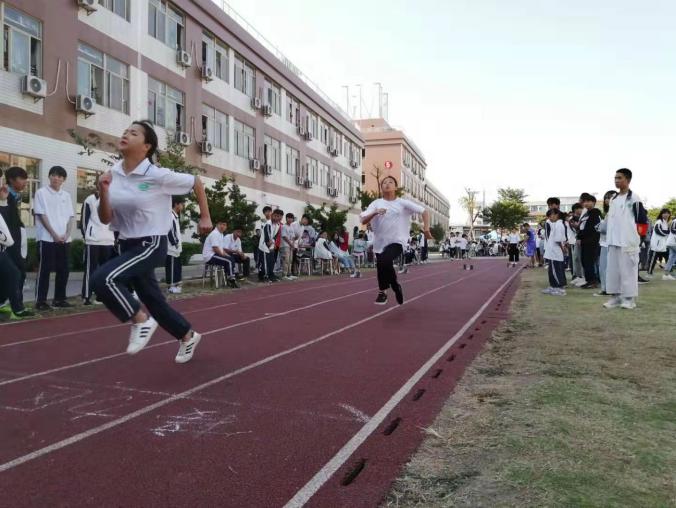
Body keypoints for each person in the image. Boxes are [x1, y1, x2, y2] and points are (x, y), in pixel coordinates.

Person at [91, 120, 212, 364]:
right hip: (126, 244)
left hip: (152, 244)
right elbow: (106, 218)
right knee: (154, 301)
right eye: (125, 131)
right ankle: (187, 335)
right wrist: (103, 191)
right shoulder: (112, 174)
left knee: (102, 279)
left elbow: (196, 182)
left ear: (146, 146)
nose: (125, 134)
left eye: (133, 133)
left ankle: (140, 321)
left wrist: (205, 216)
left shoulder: (157, 175)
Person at [360, 176, 431, 305]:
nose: (387, 184)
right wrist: (375, 212)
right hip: (379, 242)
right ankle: (395, 286)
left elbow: (425, 212)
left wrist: (426, 229)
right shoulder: (376, 203)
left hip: (398, 241)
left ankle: (382, 292)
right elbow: (363, 220)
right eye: (384, 183)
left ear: (395, 187)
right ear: (381, 187)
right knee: (383, 264)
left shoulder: (402, 203)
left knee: (385, 260)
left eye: (390, 182)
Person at [33, 165, 75, 310]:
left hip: (64, 239)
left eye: (59, 176)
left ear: (63, 179)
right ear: (49, 176)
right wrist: (54, 235)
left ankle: (59, 299)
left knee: (64, 269)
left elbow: (70, 217)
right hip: (46, 238)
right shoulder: (41, 193)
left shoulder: (66, 196)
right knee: (45, 269)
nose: (56, 178)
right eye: (53, 175)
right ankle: (41, 301)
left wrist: (67, 234)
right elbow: (41, 215)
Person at [603, 168, 645, 310]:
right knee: (613, 271)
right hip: (613, 241)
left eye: (619, 178)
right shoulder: (613, 199)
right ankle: (615, 297)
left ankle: (629, 299)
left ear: (628, 180)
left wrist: (640, 238)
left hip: (628, 242)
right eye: (615, 178)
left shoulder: (634, 198)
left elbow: (642, 221)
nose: (616, 180)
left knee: (628, 271)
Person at [0, 171, 34, 320]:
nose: (25, 183)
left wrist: (3, 201)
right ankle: (16, 307)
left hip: (9, 241)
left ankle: (10, 305)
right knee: (15, 272)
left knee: (13, 273)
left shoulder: (7, 196)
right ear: (12, 180)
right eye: (22, 179)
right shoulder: (9, 196)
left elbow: (8, 220)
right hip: (8, 242)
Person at [80, 180, 116, 304]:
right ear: (97, 186)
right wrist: (87, 236)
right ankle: (86, 296)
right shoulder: (90, 200)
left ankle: (102, 296)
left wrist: (115, 237)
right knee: (91, 269)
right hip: (93, 241)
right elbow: (84, 221)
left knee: (106, 271)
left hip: (108, 240)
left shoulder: (112, 199)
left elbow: (115, 220)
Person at [203, 220, 239, 289]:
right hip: (210, 256)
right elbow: (215, 248)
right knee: (229, 260)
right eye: (221, 224)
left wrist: (226, 255)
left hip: (214, 255)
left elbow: (221, 249)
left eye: (224, 225)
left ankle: (228, 278)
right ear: (217, 225)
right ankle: (232, 280)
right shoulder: (215, 233)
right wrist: (224, 255)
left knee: (230, 258)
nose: (222, 226)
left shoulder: (221, 234)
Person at [594, 190, 617, 296]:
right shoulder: (617, 211)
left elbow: (605, 228)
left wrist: (599, 226)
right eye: (606, 198)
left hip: (607, 243)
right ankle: (610, 288)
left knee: (603, 267)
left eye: (610, 197)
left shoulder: (612, 212)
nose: (608, 200)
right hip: (613, 243)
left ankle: (605, 289)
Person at [577, 193, 602, 289]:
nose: (586, 203)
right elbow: (583, 227)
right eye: (584, 202)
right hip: (586, 241)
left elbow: (590, 228)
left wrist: (580, 236)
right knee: (585, 261)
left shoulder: (595, 212)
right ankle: (589, 280)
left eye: (588, 201)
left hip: (592, 242)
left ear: (594, 202)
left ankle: (592, 281)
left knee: (589, 262)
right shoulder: (587, 213)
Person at [542, 208, 568, 296]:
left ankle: (559, 288)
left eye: (551, 215)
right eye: (549, 216)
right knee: (552, 270)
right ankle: (553, 286)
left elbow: (558, 240)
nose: (550, 217)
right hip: (553, 251)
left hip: (555, 252)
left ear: (557, 215)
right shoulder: (556, 224)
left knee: (556, 270)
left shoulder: (558, 225)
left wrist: (562, 248)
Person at [165, 196, 185, 294]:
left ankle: (176, 284)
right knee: (171, 267)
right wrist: (175, 243)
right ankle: (171, 286)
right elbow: (170, 231)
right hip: (171, 248)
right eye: (181, 204)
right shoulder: (170, 216)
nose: (183, 206)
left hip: (176, 249)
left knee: (177, 266)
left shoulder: (175, 216)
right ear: (176, 204)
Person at [259, 208, 283, 282]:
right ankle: (264, 276)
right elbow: (267, 238)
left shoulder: (278, 225)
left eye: (279, 217)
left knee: (272, 261)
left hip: (271, 245)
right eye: (276, 216)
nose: (277, 218)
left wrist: (273, 244)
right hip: (264, 246)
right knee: (265, 262)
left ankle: (271, 274)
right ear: (272, 215)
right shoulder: (268, 224)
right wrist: (271, 245)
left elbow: (274, 236)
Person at [647, 208, 671, 275]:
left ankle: (668, 273)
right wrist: (668, 232)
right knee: (652, 260)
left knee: (669, 259)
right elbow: (659, 231)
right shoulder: (659, 222)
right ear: (661, 214)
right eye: (664, 213)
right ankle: (649, 273)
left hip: (663, 246)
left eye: (667, 213)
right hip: (656, 246)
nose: (666, 215)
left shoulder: (665, 222)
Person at [280, 213, 298, 280]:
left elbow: (293, 236)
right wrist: (290, 243)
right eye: (289, 218)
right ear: (286, 218)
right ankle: (284, 275)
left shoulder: (291, 227)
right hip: (285, 245)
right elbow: (284, 236)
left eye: (291, 218)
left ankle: (289, 274)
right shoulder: (284, 226)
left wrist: (292, 244)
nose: (290, 219)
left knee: (290, 260)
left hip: (290, 246)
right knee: (286, 260)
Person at [256, 206, 272, 278]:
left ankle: (268, 273)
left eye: (269, 211)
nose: (268, 213)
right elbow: (258, 233)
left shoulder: (272, 222)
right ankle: (262, 274)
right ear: (264, 213)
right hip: (263, 245)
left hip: (271, 244)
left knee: (269, 260)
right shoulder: (262, 222)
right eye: (266, 212)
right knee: (262, 260)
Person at [662, 214, 676, 280]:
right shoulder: (675, 221)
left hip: (671, 242)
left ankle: (666, 274)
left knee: (671, 258)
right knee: (671, 258)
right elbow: (673, 230)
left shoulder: (674, 221)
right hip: (673, 242)